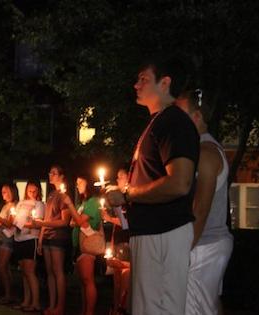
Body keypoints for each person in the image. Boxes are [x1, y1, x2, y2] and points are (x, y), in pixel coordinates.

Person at [106, 56, 200, 314]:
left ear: (165, 82)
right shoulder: (159, 123)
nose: (136, 85)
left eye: (143, 79)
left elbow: (180, 183)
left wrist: (126, 194)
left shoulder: (174, 123)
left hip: (163, 233)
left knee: (158, 308)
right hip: (152, 233)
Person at [176, 89, 234, 315]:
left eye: (181, 115)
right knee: (209, 305)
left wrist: (182, 250)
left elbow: (199, 210)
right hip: (210, 244)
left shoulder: (206, 153)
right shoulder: (202, 149)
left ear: (197, 116)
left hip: (204, 247)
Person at [33, 165, 77, 315]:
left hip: (58, 237)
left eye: (54, 173)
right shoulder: (51, 194)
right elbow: (47, 217)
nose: (50, 174)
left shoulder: (65, 196)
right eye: (50, 172)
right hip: (47, 237)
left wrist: (42, 224)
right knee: (50, 272)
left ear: (62, 176)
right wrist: (40, 238)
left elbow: (64, 221)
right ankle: (52, 306)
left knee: (58, 272)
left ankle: (60, 306)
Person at [71, 175, 102, 315]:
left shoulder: (93, 202)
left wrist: (69, 205)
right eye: (76, 183)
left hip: (88, 244)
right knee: (83, 281)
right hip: (79, 244)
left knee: (88, 280)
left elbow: (78, 221)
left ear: (88, 183)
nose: (77, 185)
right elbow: (72, 221)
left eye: (80, 182)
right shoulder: (82, 203)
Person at [102, 168, 131, 314]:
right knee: (117, 280)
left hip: (127, 243)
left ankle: (121, 308)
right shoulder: (119, 200)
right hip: (119, 241)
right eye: (117, 177)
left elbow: (126, 223)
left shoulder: (129, 199)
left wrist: (107, 218)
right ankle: (115, 307)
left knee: (124, 276)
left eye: (121, 177)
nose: (118, 180)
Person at [12, 181, 45, 312]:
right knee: (24, 272)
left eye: (34, 191)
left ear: (38, 192)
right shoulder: (20, 203)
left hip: (31, 239)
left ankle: (35, 302)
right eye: (29, 190)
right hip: (18, 238)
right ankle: (26, 301)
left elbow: (39, 224)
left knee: (30, 272)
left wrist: (26, 223)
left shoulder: (39, 204)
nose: (31, 193)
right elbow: (15, 219)